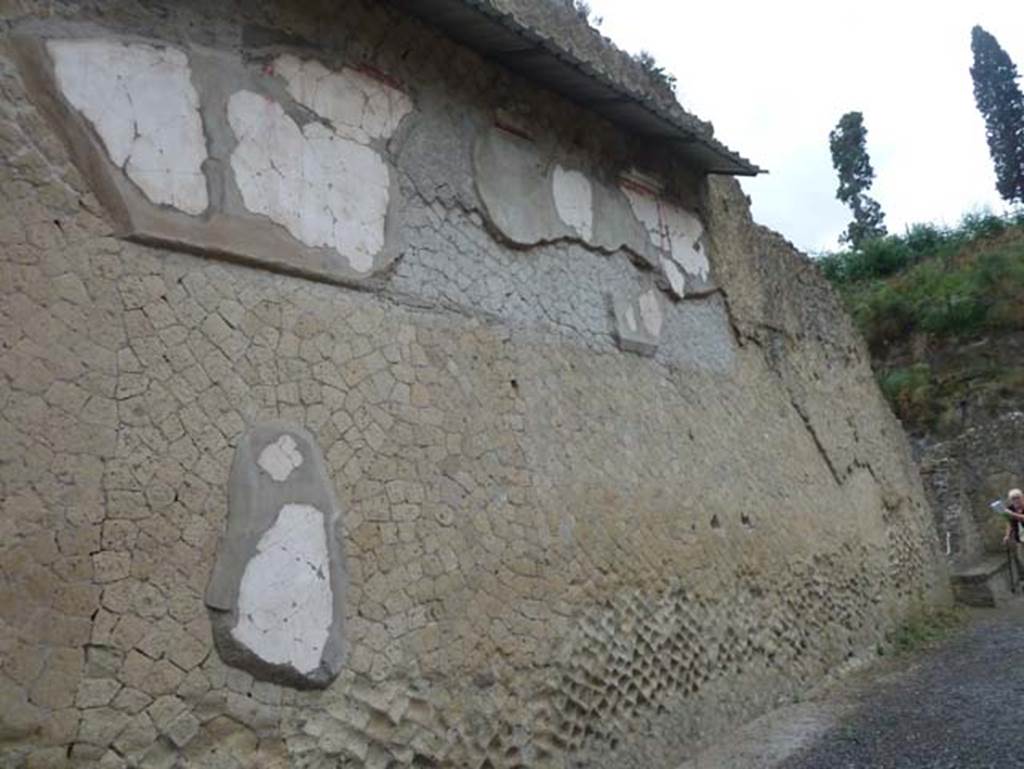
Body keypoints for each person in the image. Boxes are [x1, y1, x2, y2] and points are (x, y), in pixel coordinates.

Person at [1002, 489, 1024, 586]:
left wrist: (1011, 514)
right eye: (1013, 498)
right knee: (1022, 559)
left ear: (1022, 497)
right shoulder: (1010, 508)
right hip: (1019, 538)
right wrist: (1007, 535)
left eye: (1017, 497)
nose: (1016, 500)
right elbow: (1009, 523)